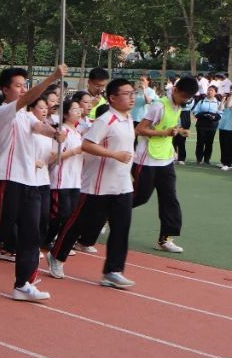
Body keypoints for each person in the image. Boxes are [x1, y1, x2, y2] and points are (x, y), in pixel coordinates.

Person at [0, 64, 68, 302]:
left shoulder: (28, 115)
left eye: (24, 85)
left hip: (31, 181)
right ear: (5, 90)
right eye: (18, 86)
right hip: (8, 179)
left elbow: (38, 126)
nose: (23, 89)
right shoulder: (4, 111)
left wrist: (55, 134)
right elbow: (28, 98)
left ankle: (23, 284)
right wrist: (52, 78)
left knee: (31, 234)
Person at [48, 79, 137, 289]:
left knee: (121, 227)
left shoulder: (128, 119)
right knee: (78, 223)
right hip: (98, 185)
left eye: (133, 93)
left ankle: (113, 271)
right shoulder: (105, 120)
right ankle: (57, 255)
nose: (132, 97)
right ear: (112, 98)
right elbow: (87, 145)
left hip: (123, 185)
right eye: (126, 93)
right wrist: (114, 155)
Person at [132, 75, 193, 253]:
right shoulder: (159, 106)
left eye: (188, 98)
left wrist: (179, 131)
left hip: (165, 159)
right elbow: (139, 129)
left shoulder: (178, 106)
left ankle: (166, 238)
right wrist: (165, 133)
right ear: (175, 90)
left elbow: (168, 127)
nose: (185, 100)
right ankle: (105, 213)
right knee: (140, 196)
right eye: (184, 96)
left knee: (170, 198)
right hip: (147, 160)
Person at [45, 100, 83, 249]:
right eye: (74, 109)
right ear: (66, 114)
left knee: (71, 215)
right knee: (61, 214)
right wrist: (74, 152)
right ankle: (47, 239)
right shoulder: (61, 131)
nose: (78, 112)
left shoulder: (77, 133)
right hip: (61, 180)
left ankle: (58, 242)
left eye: (79, 109)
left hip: (75, 181)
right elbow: (52, 157)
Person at [193, 85, 221, 166]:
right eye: (208, 90)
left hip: (212, 125)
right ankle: (199, 159)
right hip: (201, 124)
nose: (209, 92)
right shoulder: (201, 101)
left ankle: (207, 159)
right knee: (200, 142)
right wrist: (203, 114)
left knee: (209, 143)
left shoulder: (218, 103)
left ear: (215, 92)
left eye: (211, 90)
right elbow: (195, 112)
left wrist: (214, 117)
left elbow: (220, 113)